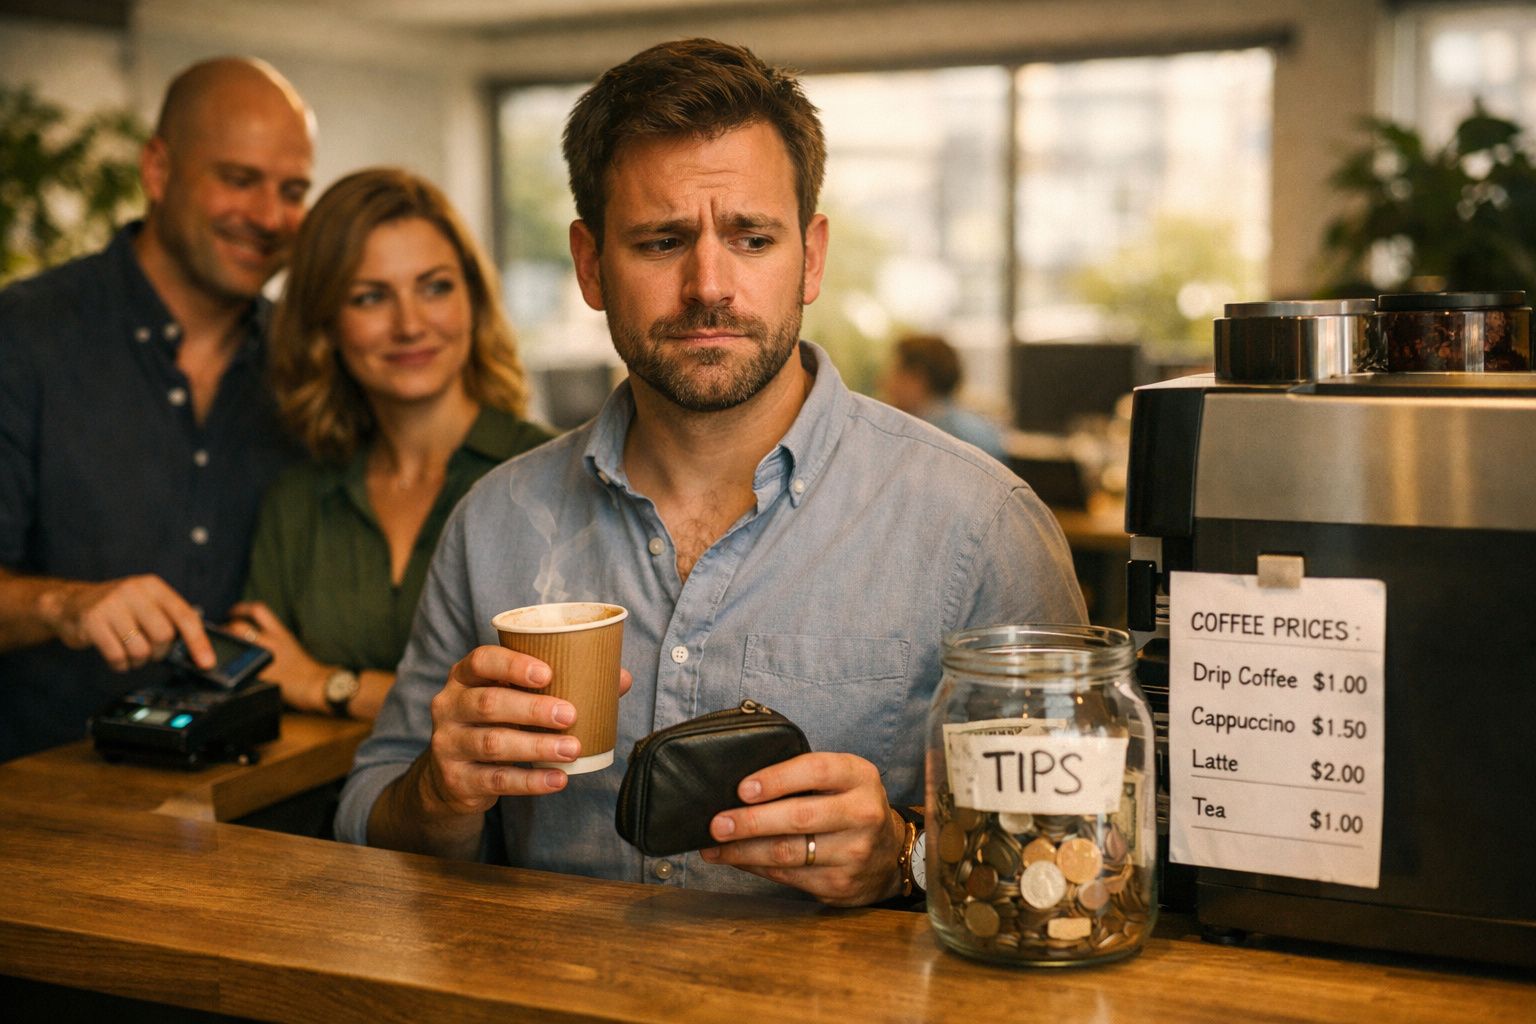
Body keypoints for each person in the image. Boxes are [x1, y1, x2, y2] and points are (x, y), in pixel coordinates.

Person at [336, 38, 1086, 907]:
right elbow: (364, 820)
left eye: (750, 238)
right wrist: (439, 793)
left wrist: (905, 854)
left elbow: (1080, 852)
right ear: (590, 265)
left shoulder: (980, 525)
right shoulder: (495, 520)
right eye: (661, 241)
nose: (708, 286)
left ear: (810, 256)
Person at [0, 57, 315, 762]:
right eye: (239, 179)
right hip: (46, 802)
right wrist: (66, 605)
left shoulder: (309, 365)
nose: (269, 217)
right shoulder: (22, 337)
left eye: (292, 190)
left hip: (261, 794)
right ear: (157, 170)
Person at [228, 169, 552, 721]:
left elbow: (547, 706)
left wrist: (328, 684)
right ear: (325, 324)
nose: (409, 325)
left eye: (435, 287)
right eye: (370, 297)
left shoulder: (551, 477)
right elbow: (258, 670)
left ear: (473, 299)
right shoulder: (297, 500)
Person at [880, 333, 1009, 463]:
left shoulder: (938, 434)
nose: (883, 383)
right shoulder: (970, 425)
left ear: (917, 378)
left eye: (894, 372)